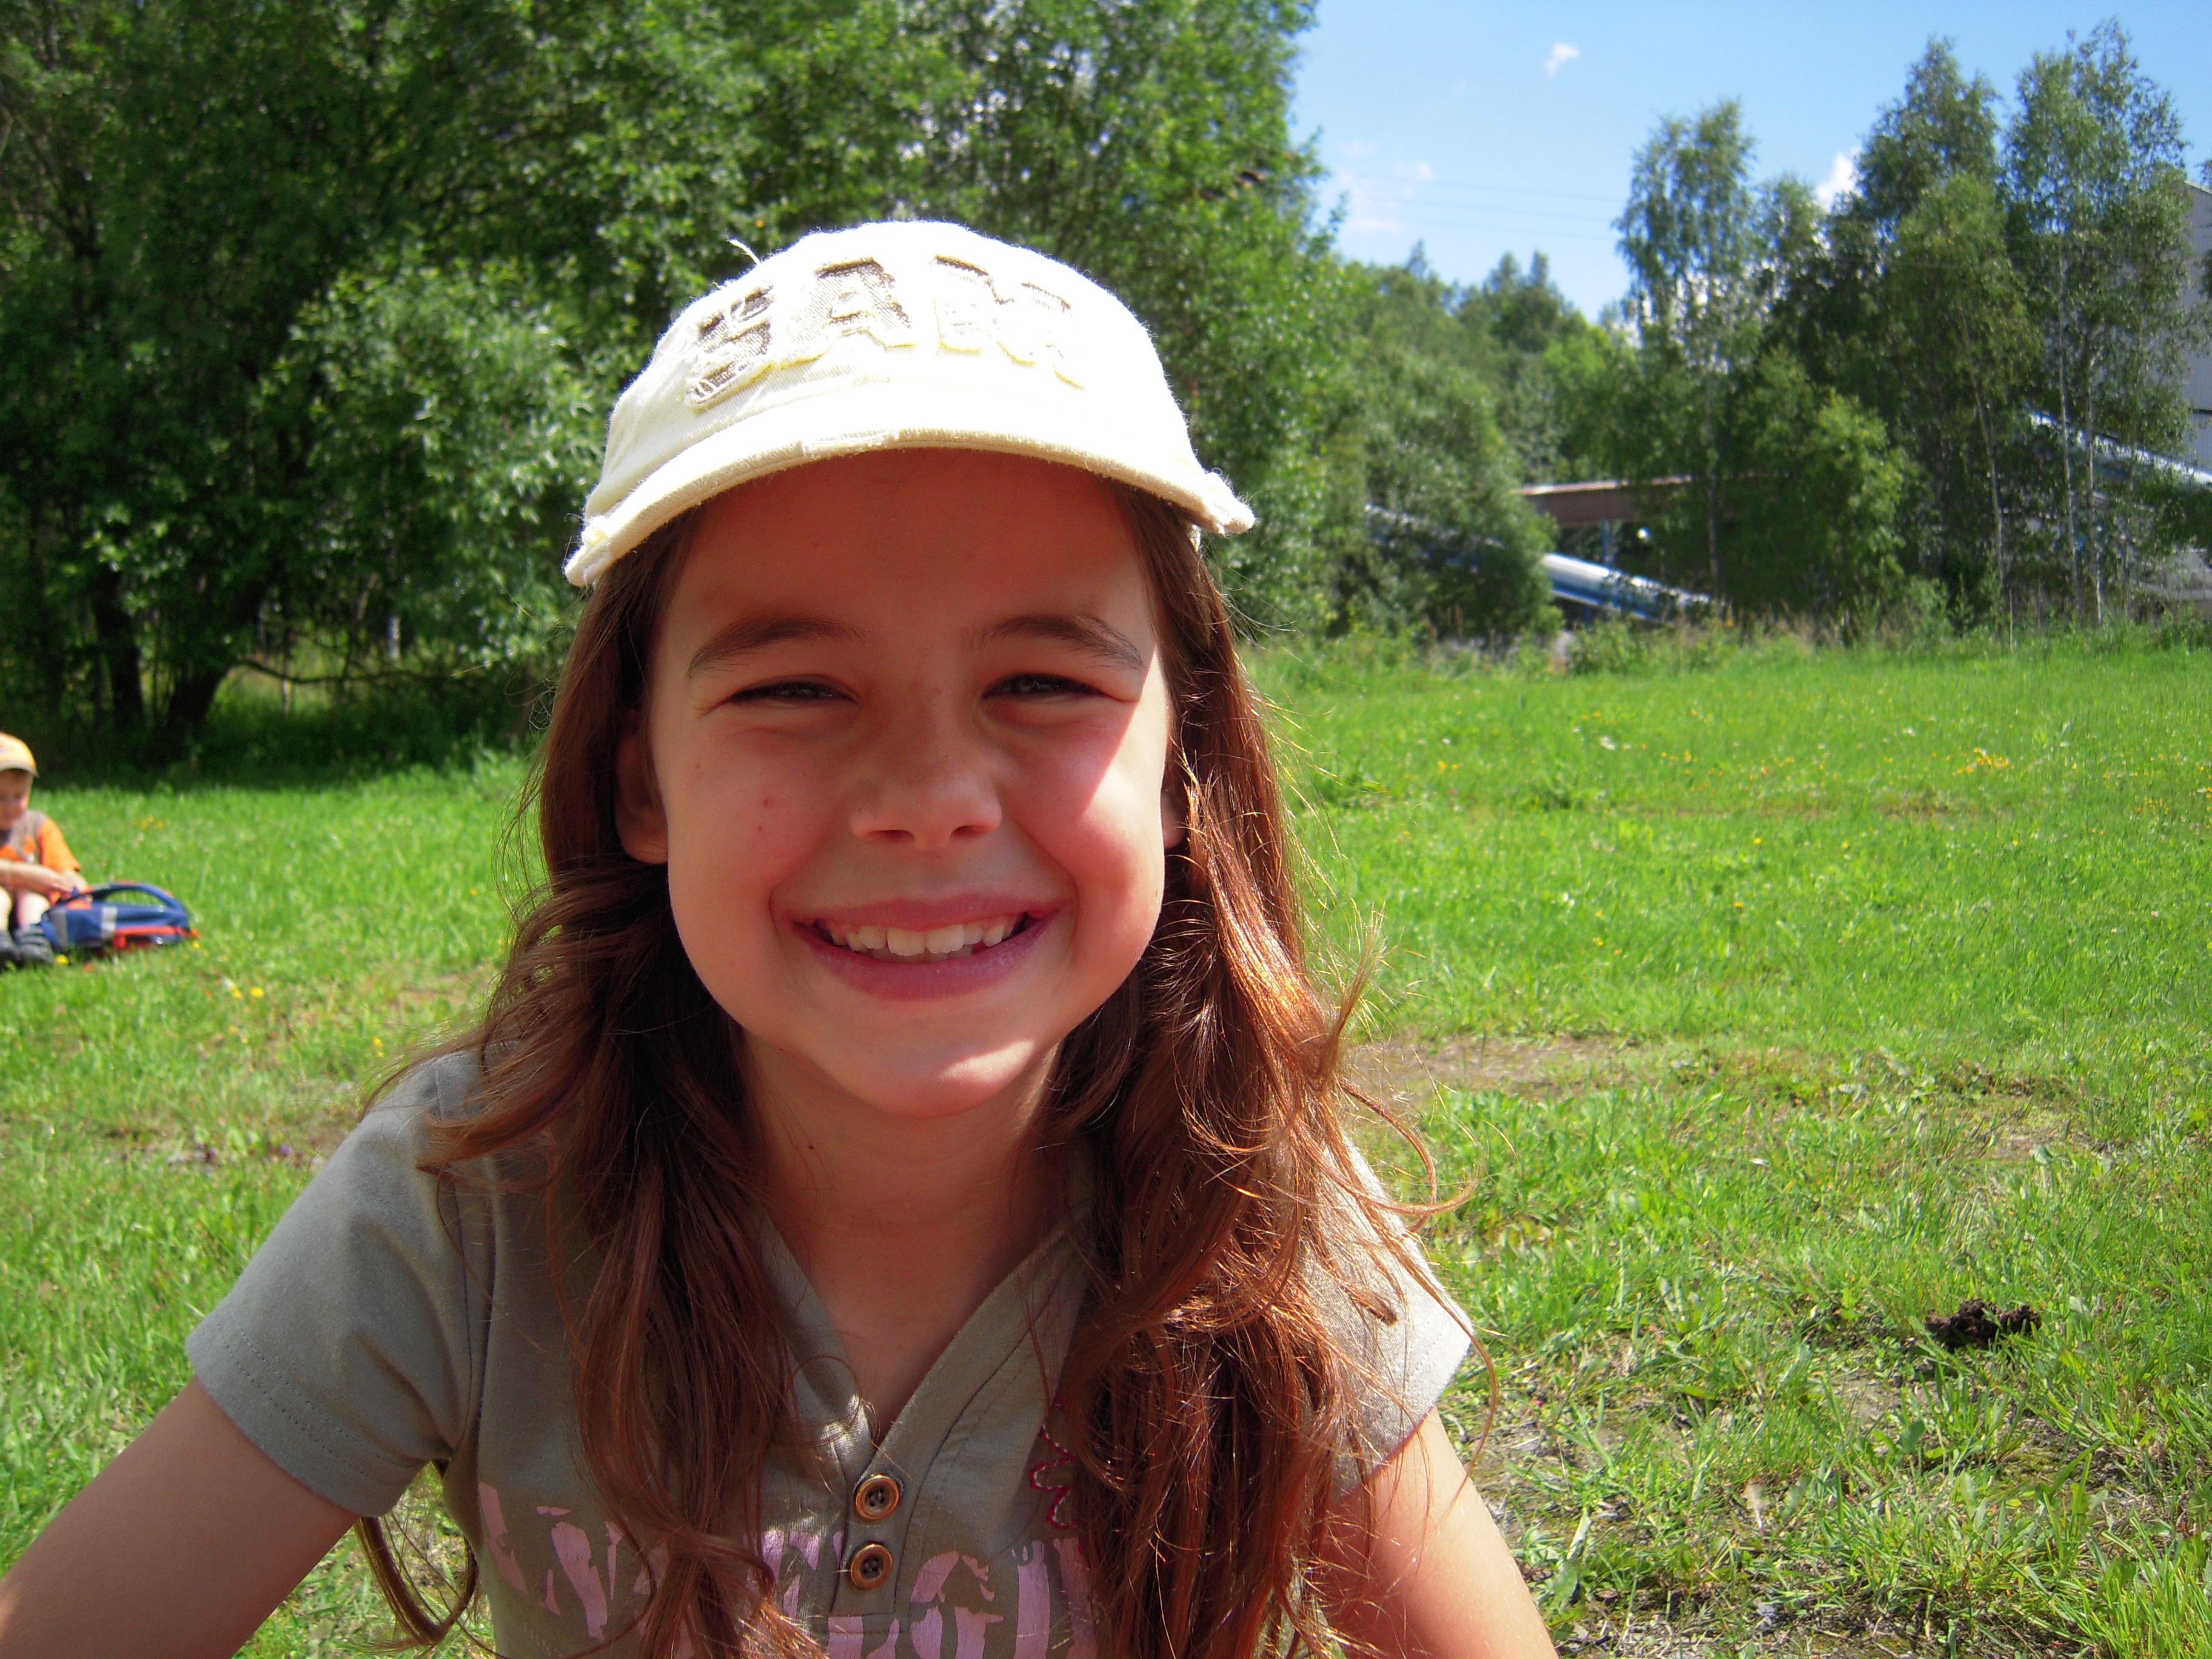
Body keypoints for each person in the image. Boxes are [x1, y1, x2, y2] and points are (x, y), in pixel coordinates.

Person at [0, 223, 1555, 1659]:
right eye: (794, 688)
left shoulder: (1254, 1210)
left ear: (1179, 767)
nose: (928, 801)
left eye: (1041, 683)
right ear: (641, 778)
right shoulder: (470, 1204)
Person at [0, 734, 86, 967]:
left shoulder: (38, 825)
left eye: (19, 796)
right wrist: (18, 874)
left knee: (31, 892)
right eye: (0, 797)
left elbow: (64, 870)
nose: (9, 806)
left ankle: (33, 939)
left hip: (32, 907)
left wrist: (74, 885)